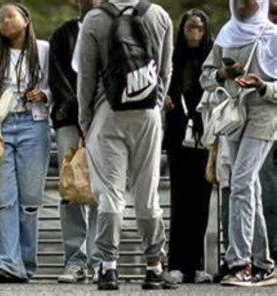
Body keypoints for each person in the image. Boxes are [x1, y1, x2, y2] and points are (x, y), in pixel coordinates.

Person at [77, 0, 177, 290]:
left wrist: (86, 120)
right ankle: (155, 267)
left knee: (110, 193)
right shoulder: (159, 15)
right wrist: (155, 103)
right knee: (147, 193)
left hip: (107, 112)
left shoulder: (95, 19)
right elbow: (166, 69)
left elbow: (86, 76)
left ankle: (108, 268)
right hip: (147, 112)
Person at [200, 0, 277, 287]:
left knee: (241, 183)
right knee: (248, 187)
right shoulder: (226, 34)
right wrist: (224, 74)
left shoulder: (273, 35)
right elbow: (206, 77)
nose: (245, 4)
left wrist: (261, 85)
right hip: (233, 117)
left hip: (264, 115)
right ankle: (264, 264)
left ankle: (239, 261)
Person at [0, 3, 51, 283]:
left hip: (34, 124)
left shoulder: (43, 49)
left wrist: (43, 94)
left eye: (10, 15)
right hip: (0, 126)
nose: (5, 20)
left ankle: (26, 264)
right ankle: (8, 263)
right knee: (1, 198)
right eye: (0, 18)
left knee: (30, 200)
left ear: (26, 19)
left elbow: (56, 83)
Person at [49, 0, 101, 284]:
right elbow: (56, 75)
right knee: (71, 188)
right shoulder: (63, 32)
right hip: (69, 118)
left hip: (103, 119)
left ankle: (98, 260)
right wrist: (77, 109)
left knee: (99, 191)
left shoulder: (110, 28)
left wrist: (95, 110)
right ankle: (75, 259)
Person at [163, 9, 214, 284]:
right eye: (190, 28)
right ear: (182, 30)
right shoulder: (172, 58)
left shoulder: (212, 56)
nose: (195, 33)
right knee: (180, 200)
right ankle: (177, 264)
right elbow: (160, 85)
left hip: (205, 136)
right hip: (177, 135)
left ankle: (196, 265)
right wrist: (165, 99)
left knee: (202, 201)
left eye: (199, 29)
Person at [260, 0, 277, 263]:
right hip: (263, 124)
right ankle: (270, 250)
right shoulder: (256, 39)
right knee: (265, 187)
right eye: (272, 12)